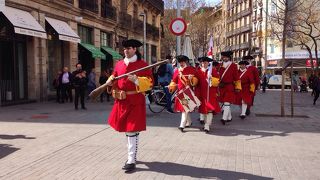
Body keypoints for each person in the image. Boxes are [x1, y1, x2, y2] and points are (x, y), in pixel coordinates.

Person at [105, 39, 153, 173]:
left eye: (129, 48)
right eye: (124, 48)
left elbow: (150, 83)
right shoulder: (119, 64)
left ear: (135, 49)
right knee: (128, 130)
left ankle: (131, 159)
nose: (125, 51)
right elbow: (115, 76)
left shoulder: (143, 65)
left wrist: (137, 80)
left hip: (135, 101)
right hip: (121, 101)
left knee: (131, 129)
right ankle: (132, 155)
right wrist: (110, 80)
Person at [169, 55, 200, 132]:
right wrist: (171, 86)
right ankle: (189, 122)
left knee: (185, 109)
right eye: (180, 62)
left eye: (183, 62)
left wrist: (192, 79)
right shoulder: (177, 71)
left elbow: (196, 82)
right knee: (186, 108)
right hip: (180, 92)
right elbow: (174, 81)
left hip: (188, 92)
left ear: (186, 62)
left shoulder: (192, 70)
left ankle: (182, 125)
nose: (181, 64)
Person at [196, 57, 221, 133]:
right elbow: (195, 83)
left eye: (205, 63)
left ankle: (207, 125)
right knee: (204, 111)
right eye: (202, 63)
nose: (204, 64)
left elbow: (218, 81)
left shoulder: (212, 71)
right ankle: (205, 122)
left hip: (211, 93)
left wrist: (212, 78)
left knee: (209, 110)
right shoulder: (198, 71)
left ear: (208, 63)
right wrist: (191, 79)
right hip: (202, 94)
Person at [218, 51, 241, 125]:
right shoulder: (220, 65)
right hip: (221, 86)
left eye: (226, 57)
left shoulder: (233, 65)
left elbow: (237, 77)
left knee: (227, 102)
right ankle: (229, 117)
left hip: (229, 86)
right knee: (224, 102)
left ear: (229, 58)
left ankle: (224, 118)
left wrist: (238, 86)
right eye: (224, 57)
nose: (225, 58)